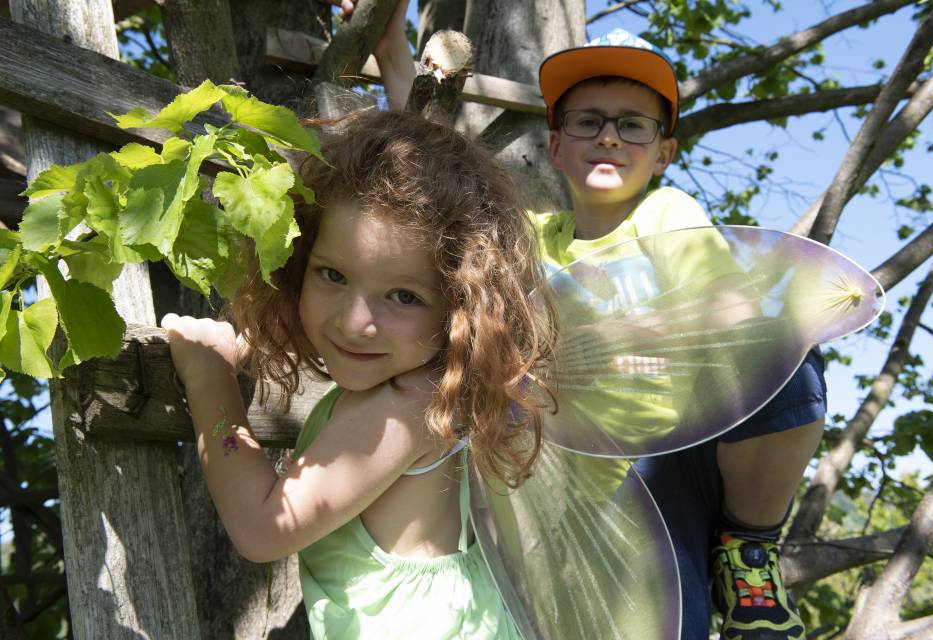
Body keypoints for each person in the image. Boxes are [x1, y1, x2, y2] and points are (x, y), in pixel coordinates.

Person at [366, 3, 824, 637]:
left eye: (633, 125)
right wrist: (392, 55)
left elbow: (727, 312)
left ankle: (748, 549)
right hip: (554, 479)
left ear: (664, 153)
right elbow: (433, 175)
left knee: (790, 354)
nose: (609, 136)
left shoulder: (668, 217)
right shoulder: (528, 239)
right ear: (555, 146)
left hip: (663, 464)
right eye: (588, 121)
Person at [162, 109, 554, 639]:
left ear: (457, 312)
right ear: (298, 266)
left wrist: (209, 379)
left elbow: (263, 529)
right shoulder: (438, 385)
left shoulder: (407, 405)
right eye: (333, 275)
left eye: (403, 296)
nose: (355, 322)